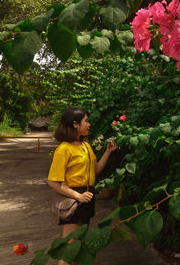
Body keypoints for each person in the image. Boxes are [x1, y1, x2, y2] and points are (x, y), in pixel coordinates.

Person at [47, 107, 118, 265]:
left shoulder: (85, 145)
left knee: (79, 247)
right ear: (75, 124)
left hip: (87, 197)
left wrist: (108, 152)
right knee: (69, 249)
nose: (89, 124)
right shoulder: (64, 149)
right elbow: (53, 181)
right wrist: (77, 196)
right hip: (73, 200)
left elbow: (96, 170)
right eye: (86, 121)